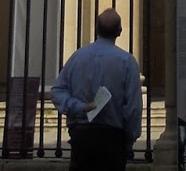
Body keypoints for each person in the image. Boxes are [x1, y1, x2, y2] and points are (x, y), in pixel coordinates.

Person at [50, 9, 142, 171]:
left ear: (96, 29)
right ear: (120, 31)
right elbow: (133, 107)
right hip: (113, 137)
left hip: (81, 135)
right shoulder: (127, 62)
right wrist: (129, 140)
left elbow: (57, 91)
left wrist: (79, 107)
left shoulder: (77, 57)